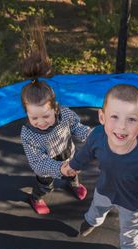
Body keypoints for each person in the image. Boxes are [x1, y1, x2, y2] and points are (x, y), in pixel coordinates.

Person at [64, 84, 138, 249]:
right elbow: (86, 153)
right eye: (114, 117)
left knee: (131, 230)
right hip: (105, 189)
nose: (121, 126)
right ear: (102, 117)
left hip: (134, 203)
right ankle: (91, 222)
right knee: (96, 209)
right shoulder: (97, 136)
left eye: (131, 119)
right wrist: (73, 166)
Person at [20, 22, 90, 215]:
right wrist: (60, 168)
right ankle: (36, 198)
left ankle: (73, 184)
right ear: (26, 113)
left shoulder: (65, 114)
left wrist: (90, 136)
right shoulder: (28, 133)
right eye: (34, 117)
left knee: (74, 176)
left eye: (46, 116)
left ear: (55, 108)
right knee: (46, 186)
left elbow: (77, 127)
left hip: (69, 155)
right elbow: (37, 162)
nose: (41, 122)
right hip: (47, 166)